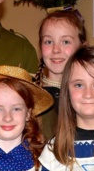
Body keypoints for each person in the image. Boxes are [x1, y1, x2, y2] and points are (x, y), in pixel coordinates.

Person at [33, 9, 87, 140]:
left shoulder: (89, 95)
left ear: (82, 47)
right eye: (48, 42)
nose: (56, 49)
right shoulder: (29, 95)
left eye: (66, 42)